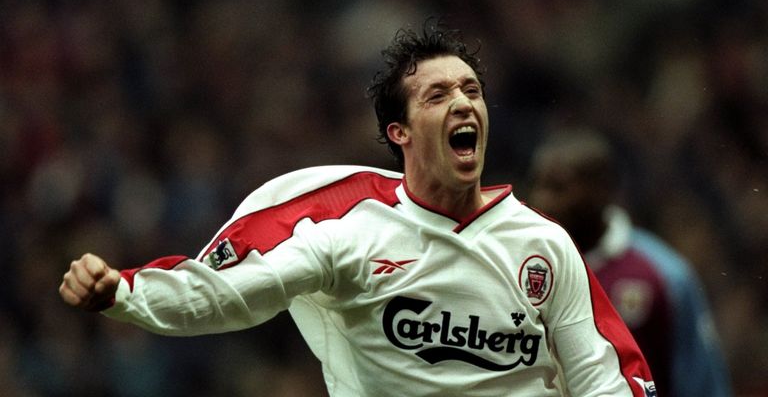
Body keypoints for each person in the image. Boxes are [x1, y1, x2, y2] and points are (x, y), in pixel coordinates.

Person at [59, 23, 655, 396]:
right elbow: (232, 294)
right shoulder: (349, 234)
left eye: (471, 90)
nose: (463, 103)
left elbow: (603, 377)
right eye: (438, 95)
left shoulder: (543, 245)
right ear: (399, 131)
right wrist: (124, 294)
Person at [527, 127, 732, 397]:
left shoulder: (664, 275)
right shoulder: (522, 265)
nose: (542, 200)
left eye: (558, 188)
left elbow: (702, 383)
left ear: (602, 189)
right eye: (537, 185)